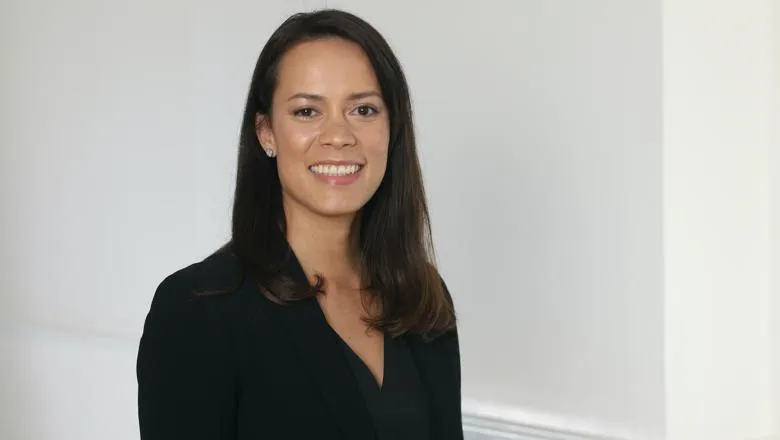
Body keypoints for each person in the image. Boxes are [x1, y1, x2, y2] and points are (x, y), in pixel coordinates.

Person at [136, 8, 462, 440]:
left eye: (363, 109)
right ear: (267, 132)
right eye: (307, 112)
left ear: (392, 128)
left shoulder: (422, 296)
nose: (339, 135)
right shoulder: (198, 310)